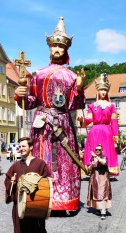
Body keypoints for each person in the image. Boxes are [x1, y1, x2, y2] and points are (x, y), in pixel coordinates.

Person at [14, 17, 85, 212]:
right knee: (41, 158)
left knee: (64, 160)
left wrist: (78, 89)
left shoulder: (71, 76)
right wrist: (20, 94)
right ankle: (41, 197)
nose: (57, 50)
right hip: (41, 122)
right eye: (54, 46)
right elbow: (31, 102)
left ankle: (65, 201)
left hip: (62, 122)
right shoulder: (39, 74)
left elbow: (74, 105)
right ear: (49, 48)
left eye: (60, 47)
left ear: (66, 50)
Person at [4, 137, 52, 233]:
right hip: (20, 206)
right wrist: (11, 182)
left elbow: (47, 181)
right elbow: (7, 182)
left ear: (31, 147)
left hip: (36, 206)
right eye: (20, 146)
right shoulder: (16, 165)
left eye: (24, 146)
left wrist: (48, 181)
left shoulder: (40, 163)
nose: (21, 148)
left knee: (39, 231)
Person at [79, 73, 119, 175]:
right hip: (94, 131)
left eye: (105, 90)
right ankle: (91, 167)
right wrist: (82, 120)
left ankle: (108, 168)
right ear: (98, 90)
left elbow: (114, 123)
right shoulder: (92, 106)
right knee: (94, 151)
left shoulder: (111, 106)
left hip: (107, 132)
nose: (103, 92)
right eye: (101, 90)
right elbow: (88, 120)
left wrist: (115, 138)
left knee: (106, 151)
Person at [86, 144, 112, 220]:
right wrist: (91, 166)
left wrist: (95, 156)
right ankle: (98, 208)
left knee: (102, 194)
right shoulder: (92, 158)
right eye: (96, 149)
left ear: (102, 151)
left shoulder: (104, 157)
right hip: (94, 178)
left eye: (99, 150)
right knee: (95, 194)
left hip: (103, 179)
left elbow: (103, 162)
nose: (97, 151)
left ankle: (103, 211)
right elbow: (89, 168)